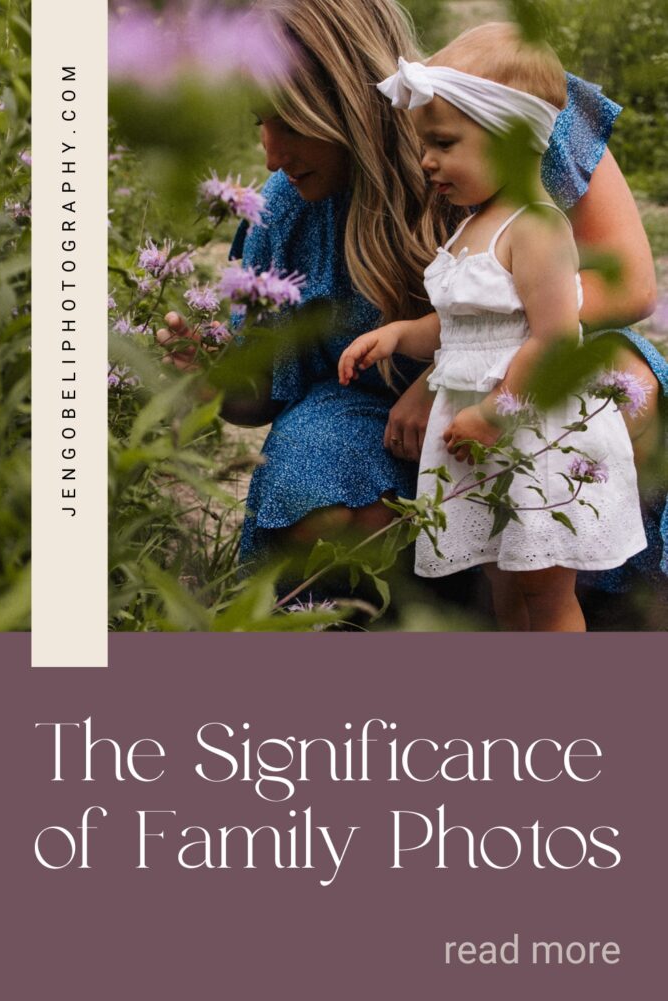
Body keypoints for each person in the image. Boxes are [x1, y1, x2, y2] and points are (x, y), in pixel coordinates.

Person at [158, 0, 665, 613]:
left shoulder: (504, 109)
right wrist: (208, 383)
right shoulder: (286, 206)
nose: (270, 154)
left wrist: (446, 374)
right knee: (311, 500)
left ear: (346, 103)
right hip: (375, 415)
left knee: (628, 393)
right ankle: (463, 589)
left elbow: (632, 285)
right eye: (261, 123)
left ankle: (568, 580)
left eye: (289, 124)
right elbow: (263, 395)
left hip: (530, 367)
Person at [338, 22, 647, 631]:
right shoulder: (472, 224)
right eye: (425, 143)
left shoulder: (536, 227)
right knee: (503, 586)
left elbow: (553, 339)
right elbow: (462, 326)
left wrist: (494, 412)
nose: (426, 160)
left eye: (444, 143)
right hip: (481, 436)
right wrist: (401, 335)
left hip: (529, 433)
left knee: (545, 592)